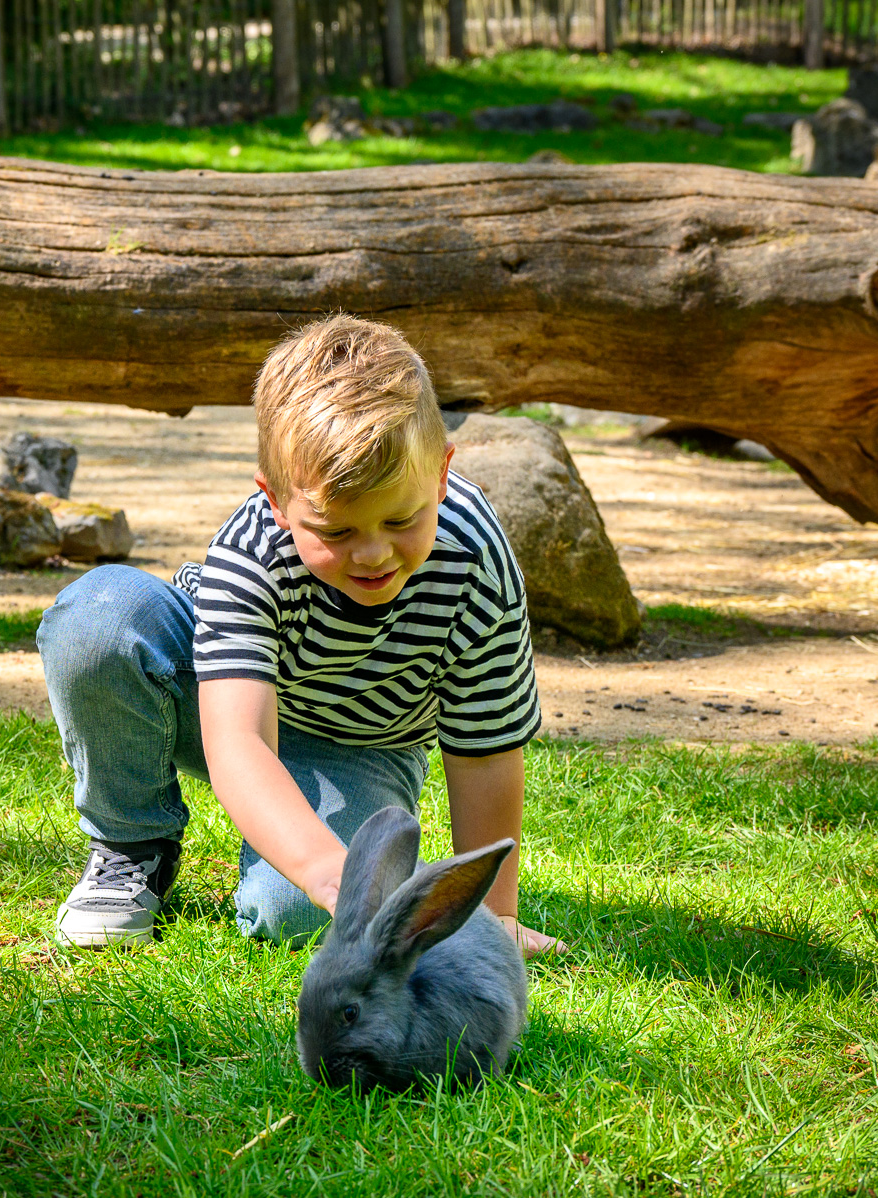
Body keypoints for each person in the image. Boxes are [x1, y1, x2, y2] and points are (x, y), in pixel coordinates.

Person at [37, 314, 564, 959]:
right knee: (99, 616)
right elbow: (238, 740)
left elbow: (484, 746)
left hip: (364, 743)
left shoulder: (474, 555)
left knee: (295, 918)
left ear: (443, 472)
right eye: (336, 532)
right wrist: (325, 870)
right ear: (276, 500)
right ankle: (131, 845)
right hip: (225, 701)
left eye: (402, 518)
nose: (373, 554)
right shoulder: (251, 552)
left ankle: (299, 853)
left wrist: (490, 915)